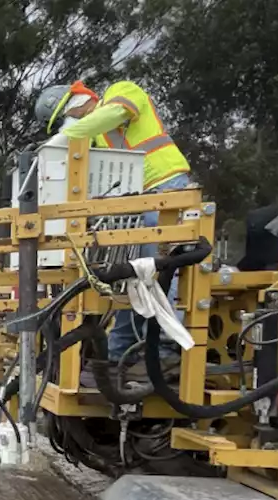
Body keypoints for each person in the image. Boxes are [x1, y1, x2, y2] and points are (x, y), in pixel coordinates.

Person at [34, 80, 193, 360]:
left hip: (167, 188)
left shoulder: (122, 91)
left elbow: (115, 114)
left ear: (78, 100)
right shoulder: (91, 135)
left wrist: (65, 138)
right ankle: (122, 353)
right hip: (133, 204)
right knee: (131, 276)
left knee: (161, 269)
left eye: (69, 116)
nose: (72, 122)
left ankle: (165, 347)